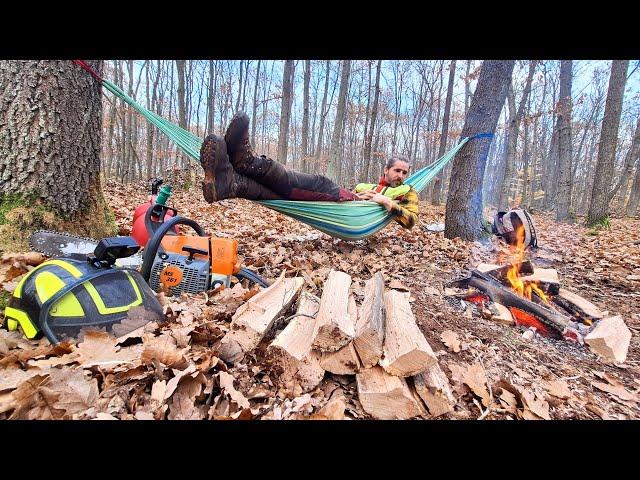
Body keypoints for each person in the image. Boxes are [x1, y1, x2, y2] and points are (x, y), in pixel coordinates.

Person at [200, 112, 419, 229]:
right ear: (386, 170)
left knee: (321, 183)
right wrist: (365, 196)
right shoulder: (368, 187)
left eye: (404, 173)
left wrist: (388, 204)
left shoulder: (406, 192)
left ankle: (248, 162)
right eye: (397, 171)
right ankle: (230, 183)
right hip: (347, 206)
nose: (400, 176)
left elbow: (411, 221)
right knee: (277, 195)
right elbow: (357, 200)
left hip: (345, 210)